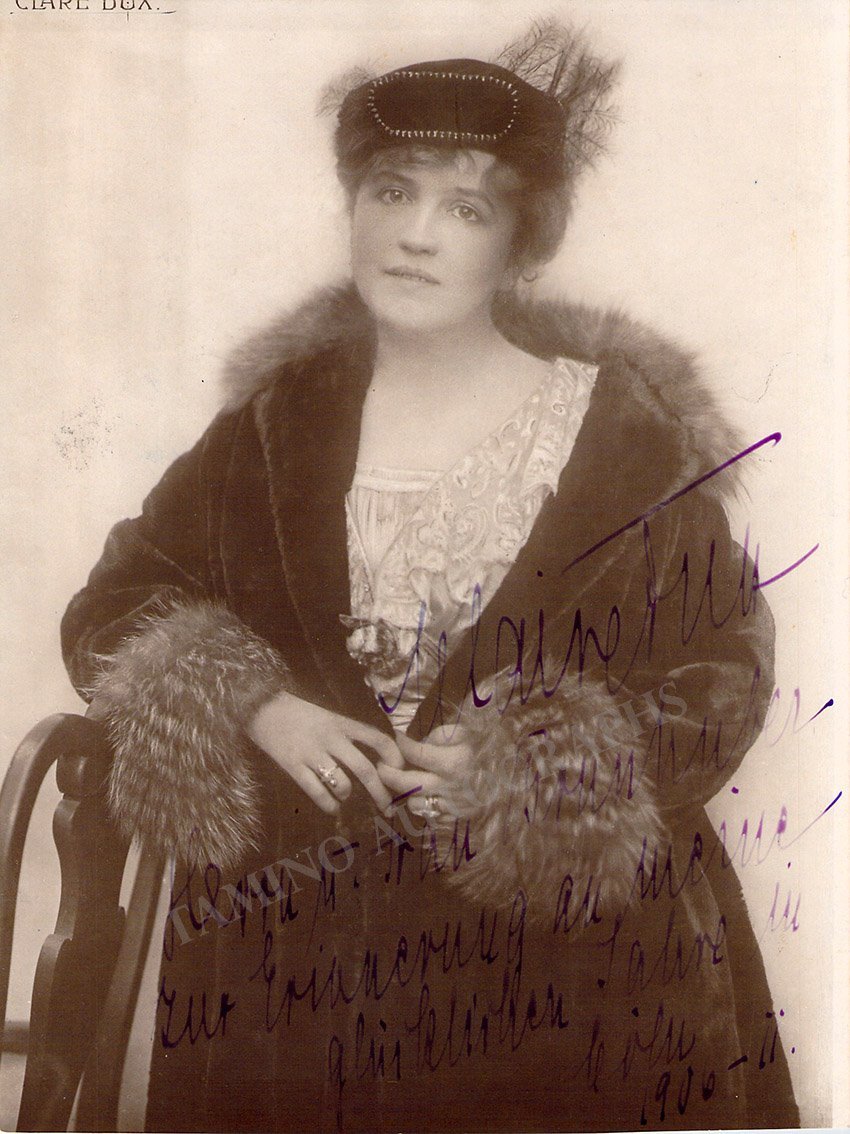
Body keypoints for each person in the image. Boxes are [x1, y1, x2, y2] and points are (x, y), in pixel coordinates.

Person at [61, 20, 799, 1133]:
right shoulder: (276, 424)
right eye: (391, 191)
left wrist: (538, 765)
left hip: (567, 967)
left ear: (522, 244)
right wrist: (253, 701)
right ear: (352, 206)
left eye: (466, 210)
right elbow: (115, 604)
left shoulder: (624, 439)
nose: (415, 235)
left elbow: (721, 669)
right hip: (289, 958)